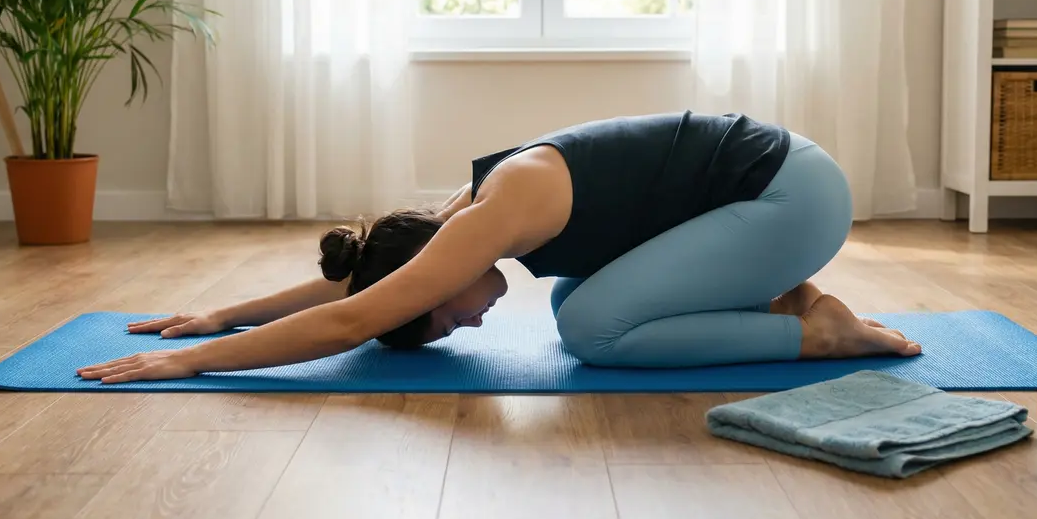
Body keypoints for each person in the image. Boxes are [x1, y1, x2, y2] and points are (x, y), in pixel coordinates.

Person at [78, 111, 920, 384]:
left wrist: (190, 365)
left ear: (434, 276)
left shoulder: (491, 216)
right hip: (777, 191)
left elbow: (355, 320)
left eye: (442, 323)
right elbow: (362, 292)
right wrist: (223, 315)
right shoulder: (461, 221)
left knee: (591, 329)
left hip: (794, 197)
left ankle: (817, 332)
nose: (469, 325)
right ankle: (788, 298)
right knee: (570, 300)